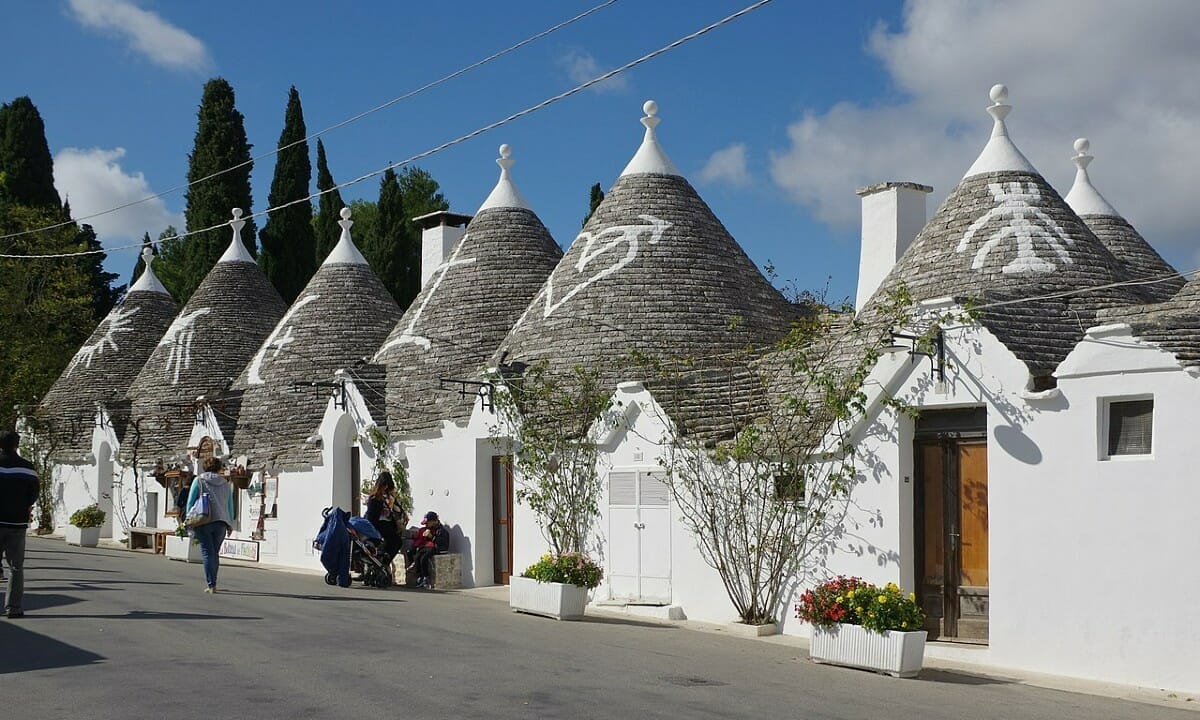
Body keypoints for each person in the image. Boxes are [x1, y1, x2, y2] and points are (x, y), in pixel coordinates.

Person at [0, 430, 40, 618]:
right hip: (16, 523)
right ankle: (13, 608)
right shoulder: (27, 468)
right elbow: (34, 494)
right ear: (17, 445)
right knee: (16, 567)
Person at [185, 457, 235, 593]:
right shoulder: (225, 483)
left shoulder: (199, 480)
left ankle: (211, 584)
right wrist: (230, 523)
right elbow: (230, 505)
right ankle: (214, 582)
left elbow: (191, 502)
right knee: (215, 553)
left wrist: (188, 520)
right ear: (219, 468)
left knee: (207, 553)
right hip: (221, 522)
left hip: (204, 520)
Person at [364, 472, 406, 564]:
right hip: (378, 524)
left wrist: (394, 507)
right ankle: (382, 561)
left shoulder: (390, 497)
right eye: (385, 485)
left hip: (388, 524)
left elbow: (398, 510)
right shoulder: (375, 498)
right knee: (395, 541)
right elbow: (371, 515)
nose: (386, 488)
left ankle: (384, 561)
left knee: (396, 542)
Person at [408, 511, 449, 589]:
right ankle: (420, 576)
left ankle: (426, 577)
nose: (426, 525)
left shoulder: (441, 531)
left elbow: (441, 542)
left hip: (439, 548)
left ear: (433, 521)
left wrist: (431, 536)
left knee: (424, 558)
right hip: (431, 547)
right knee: (418, 556)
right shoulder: (430, 529)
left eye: (427, 523)